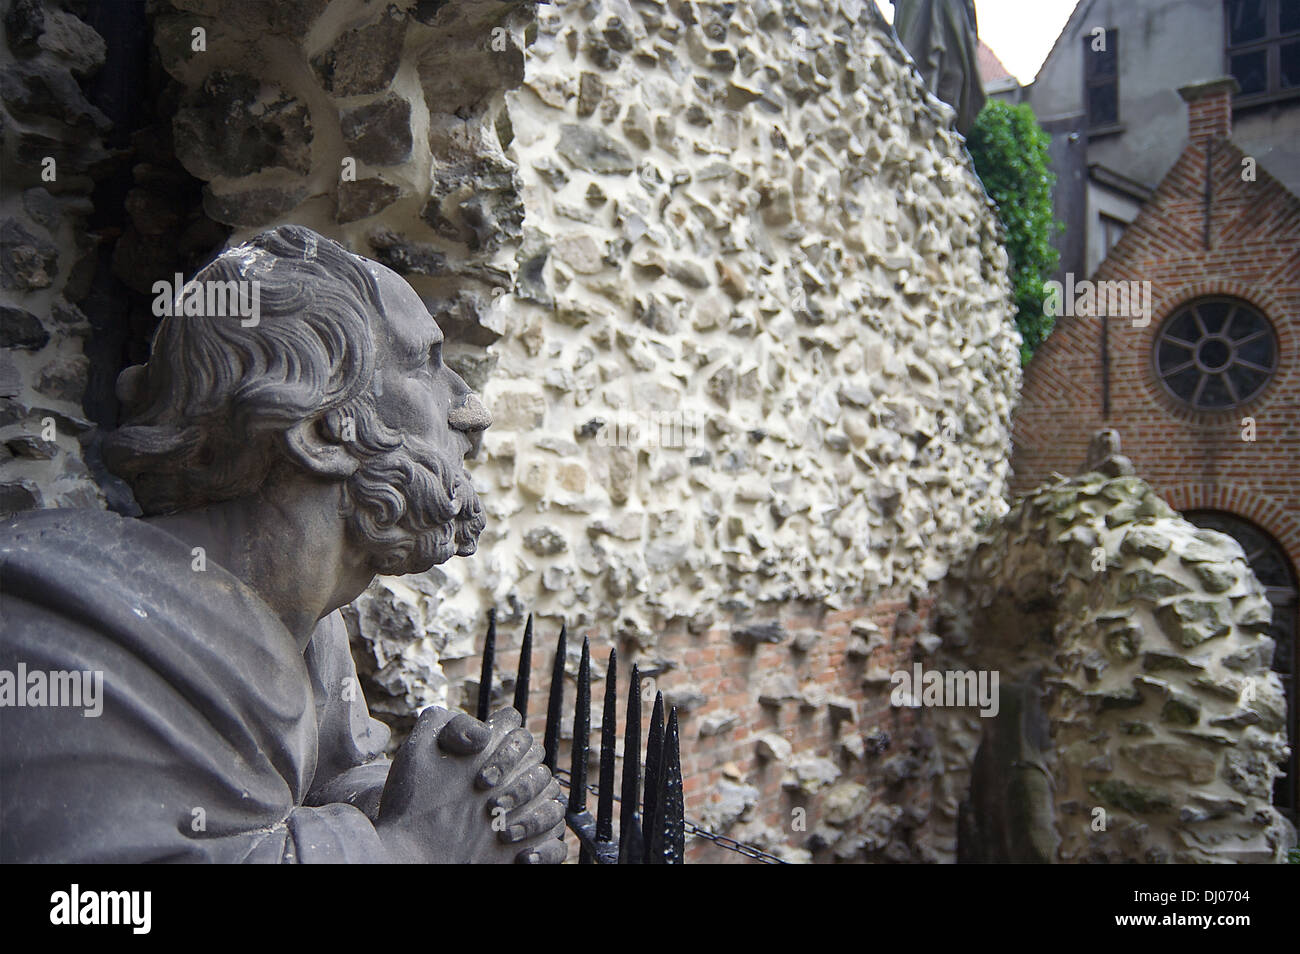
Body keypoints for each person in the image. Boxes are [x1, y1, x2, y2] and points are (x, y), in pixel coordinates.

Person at [0, 225, 565, 863]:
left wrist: (463, 797)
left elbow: (328, 796)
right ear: (323, 430)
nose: (471, 408)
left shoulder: (306, 629)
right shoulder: (58, 629)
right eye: (427, 364)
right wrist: (415, 851)